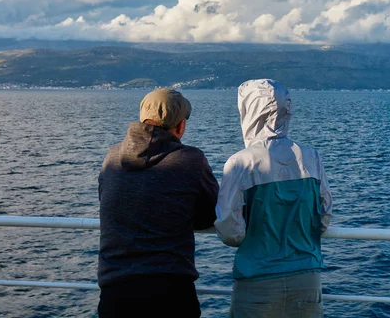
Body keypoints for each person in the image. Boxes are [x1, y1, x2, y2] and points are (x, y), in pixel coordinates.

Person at [215, 78, 333, 318]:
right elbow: (323, 219)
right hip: (307, 279)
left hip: (257, 282)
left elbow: (230, 232)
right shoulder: (311, 157)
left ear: (248, 111)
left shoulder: (240, 163)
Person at [97, 88, 219, 318]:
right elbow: (209, 215)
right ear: (180, 126)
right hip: (170, 290)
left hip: (115, 290)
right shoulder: (190, 159)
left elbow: (106, 201)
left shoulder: (111, 157)